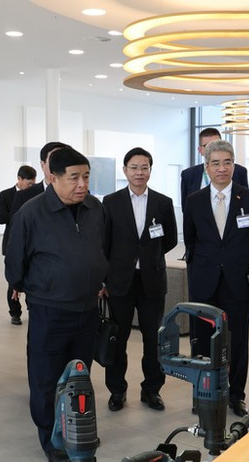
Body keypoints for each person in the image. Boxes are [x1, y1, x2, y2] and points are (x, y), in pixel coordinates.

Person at [5, 147, 107, 462]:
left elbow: (103, 248)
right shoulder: (31, 213)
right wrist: (32, 288)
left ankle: (77, 429)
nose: (82, 184)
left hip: (87, 308)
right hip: (50, 309)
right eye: (74, 178)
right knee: (47, 378)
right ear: (52, 178)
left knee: (80, 376)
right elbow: (15, 262)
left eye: (86, 177)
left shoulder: (95, 208)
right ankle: (51, 437)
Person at [183, 139, 249, 417]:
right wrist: (194, 278)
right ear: (206, 167)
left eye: (227, 162)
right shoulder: (194, 201)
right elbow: (191, 245)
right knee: (203, 340)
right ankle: (203, 394)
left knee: (238, 342)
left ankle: (236, 395)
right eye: (216, 163)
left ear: (234, 165)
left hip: (237, 282)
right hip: (204, 283)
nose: (222, 168)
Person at [102, 147, 177, 412]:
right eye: (134, 167)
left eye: (144, 167)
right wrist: (103, 281)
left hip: (152, 281)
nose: (139, 172)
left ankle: (152, 390)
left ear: (150, 171)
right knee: (117, 339)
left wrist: (147, 257)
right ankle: (117, 390)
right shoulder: (110, 202)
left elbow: (170, 240)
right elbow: (103, 243)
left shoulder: (163, 202)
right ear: (125, 171)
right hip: (119, 281)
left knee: (153, 339)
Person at [0, 165, 36, 325]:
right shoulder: (6, 195)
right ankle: (15, 312)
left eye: (33, 184)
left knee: (32, 277)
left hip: (32, 242)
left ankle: (32, 309)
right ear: (19, 179)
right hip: (12, 241)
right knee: (13, 279)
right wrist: (19, 214)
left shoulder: (36, 194)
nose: (31, 187)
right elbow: (1, 218)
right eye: (28, 184)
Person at [180, 127, 248, 210]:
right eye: (208, 146)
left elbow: (245, 202)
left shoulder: (239, 172)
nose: (214, 148)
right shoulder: (188, 175)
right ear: (200, 150)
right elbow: (186, 209)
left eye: (217, 144)